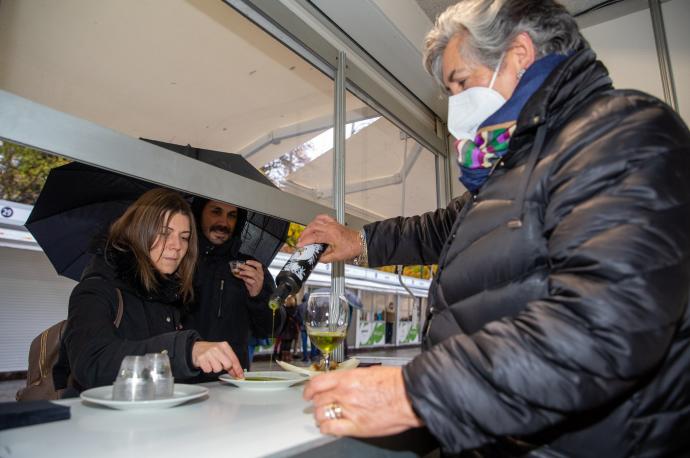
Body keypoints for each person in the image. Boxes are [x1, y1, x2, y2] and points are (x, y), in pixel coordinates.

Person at [300, 1, 690, 456]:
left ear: (520, 54)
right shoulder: (512, 168)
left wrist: (417, 392)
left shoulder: (623, 134)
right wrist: (360, 240)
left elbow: (604, 325)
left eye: (461, 83)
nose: (455, 108)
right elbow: (437, 229)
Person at [60, 188, 244, 394]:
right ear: (139, 231)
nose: (176, 246)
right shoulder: (96, 288)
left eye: (184, 237)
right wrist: (184, 350)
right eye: (165, 233)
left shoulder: (169, 296)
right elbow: (92, 362)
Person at [183, 198, 280, 372]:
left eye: (232, 215)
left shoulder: (251, 267)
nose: (223, 223)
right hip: (184, 378)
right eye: (216, 211)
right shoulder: (179, 259)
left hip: (232, 377)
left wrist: (258, 296)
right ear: (199, 213)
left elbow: (272, 329)